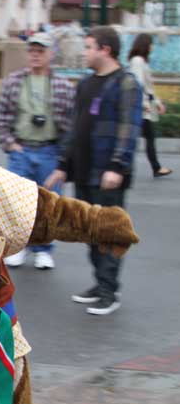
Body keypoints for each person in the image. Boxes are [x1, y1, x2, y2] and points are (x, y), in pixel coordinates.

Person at [45, 26, 143, 315]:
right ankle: (101, 283)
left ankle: (109, 291)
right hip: (85, 171)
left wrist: (117, 166)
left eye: (88, 47)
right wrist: (64, 165)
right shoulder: (86, 84)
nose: (84, 53)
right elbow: (76, 129)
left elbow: (129, 128)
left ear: (105, 50)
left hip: (108, 173)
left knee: (108, 231)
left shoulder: (126, 83)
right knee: (89, 230)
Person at [0, 33, 75, 269]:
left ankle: (44, 249)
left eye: (41, 51)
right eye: (32, 51)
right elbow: (1, 117)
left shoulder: (62, 85)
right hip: (22, 149)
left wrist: (64, 158)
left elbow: (71, 125)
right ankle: (20, 247)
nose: (36, 55)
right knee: (18, 204)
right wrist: (10, 144)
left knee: (48, 204)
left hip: (50, 149)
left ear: (51, 54)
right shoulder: (14, 81)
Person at [128, 33, 172, 178]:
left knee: (143, 138)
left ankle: (156, 168)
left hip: (143, 107)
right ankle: (155, 168)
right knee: (144, 138)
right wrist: (142, 104)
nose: (153, 47)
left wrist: (157, 103)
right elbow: (138, 84)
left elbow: (148, 88)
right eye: (151, 44)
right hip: (141, 109)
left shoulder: (141, 61)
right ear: (145, 45)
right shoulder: (138, 61)